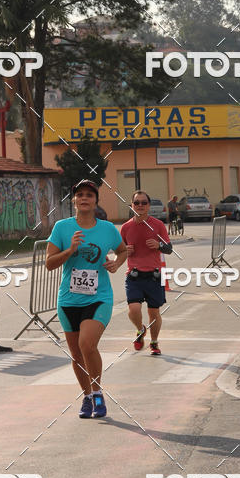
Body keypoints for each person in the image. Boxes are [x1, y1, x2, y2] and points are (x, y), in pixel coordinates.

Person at [46, 179, 127, 419]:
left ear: (95, 201)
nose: (84, 198)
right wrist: (70, 250)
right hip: (68, 300)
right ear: (74, 200)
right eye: (79, 194)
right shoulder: (62, 227)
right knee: (77, 355)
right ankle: (87, 396)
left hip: (99, 298)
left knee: (87, 344)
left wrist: (116, 263)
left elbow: (123, 250)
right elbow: (49, 263)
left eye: (89, 195)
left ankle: (98, 393)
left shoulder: (107, 229)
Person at [120, 190, 173, 356]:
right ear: (132, 205)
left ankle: (154, 342)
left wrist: (159, 245)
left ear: (149, 206)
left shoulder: (158, 225)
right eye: (137, 203)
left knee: (153, 312)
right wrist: (125, 251)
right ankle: (140, 329)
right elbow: (119, 251)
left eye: (144, 203)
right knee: (134, 309)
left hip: (154, 276)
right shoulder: (126, 227)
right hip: (134, 275)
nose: (140, 205)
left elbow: (169, 248)